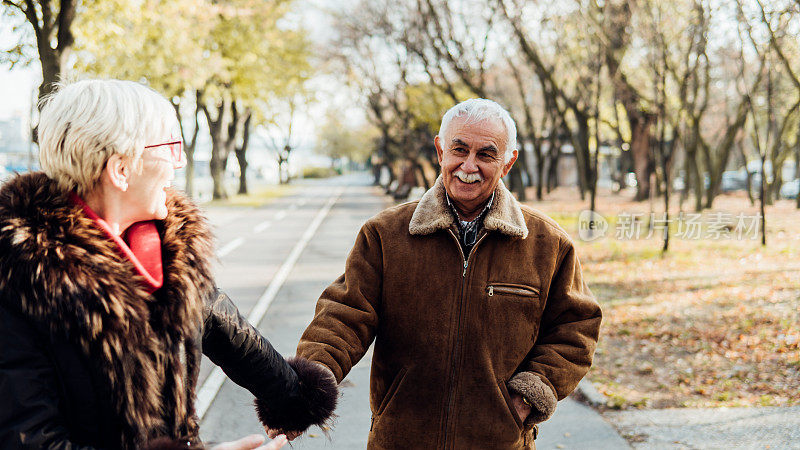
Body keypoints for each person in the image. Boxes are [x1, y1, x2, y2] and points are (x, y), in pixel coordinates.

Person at [0, 79, 337, 449]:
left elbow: (229, 332)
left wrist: (295, 398)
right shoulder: (19, 276)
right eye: (170, 147)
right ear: (121, 169)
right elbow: (29, 438)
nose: (180, 162)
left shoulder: (165, 250)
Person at [285, 99, 602, 449]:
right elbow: (343, 317)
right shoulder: (385, 235)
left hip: (499, 442)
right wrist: (304, 390)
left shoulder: (547, 244)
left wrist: (530, 393)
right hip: (400, 440)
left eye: (486, 154)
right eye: (459, 149)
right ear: (440, 150)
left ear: (508, 162)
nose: (469, 165)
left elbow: (576, 328)